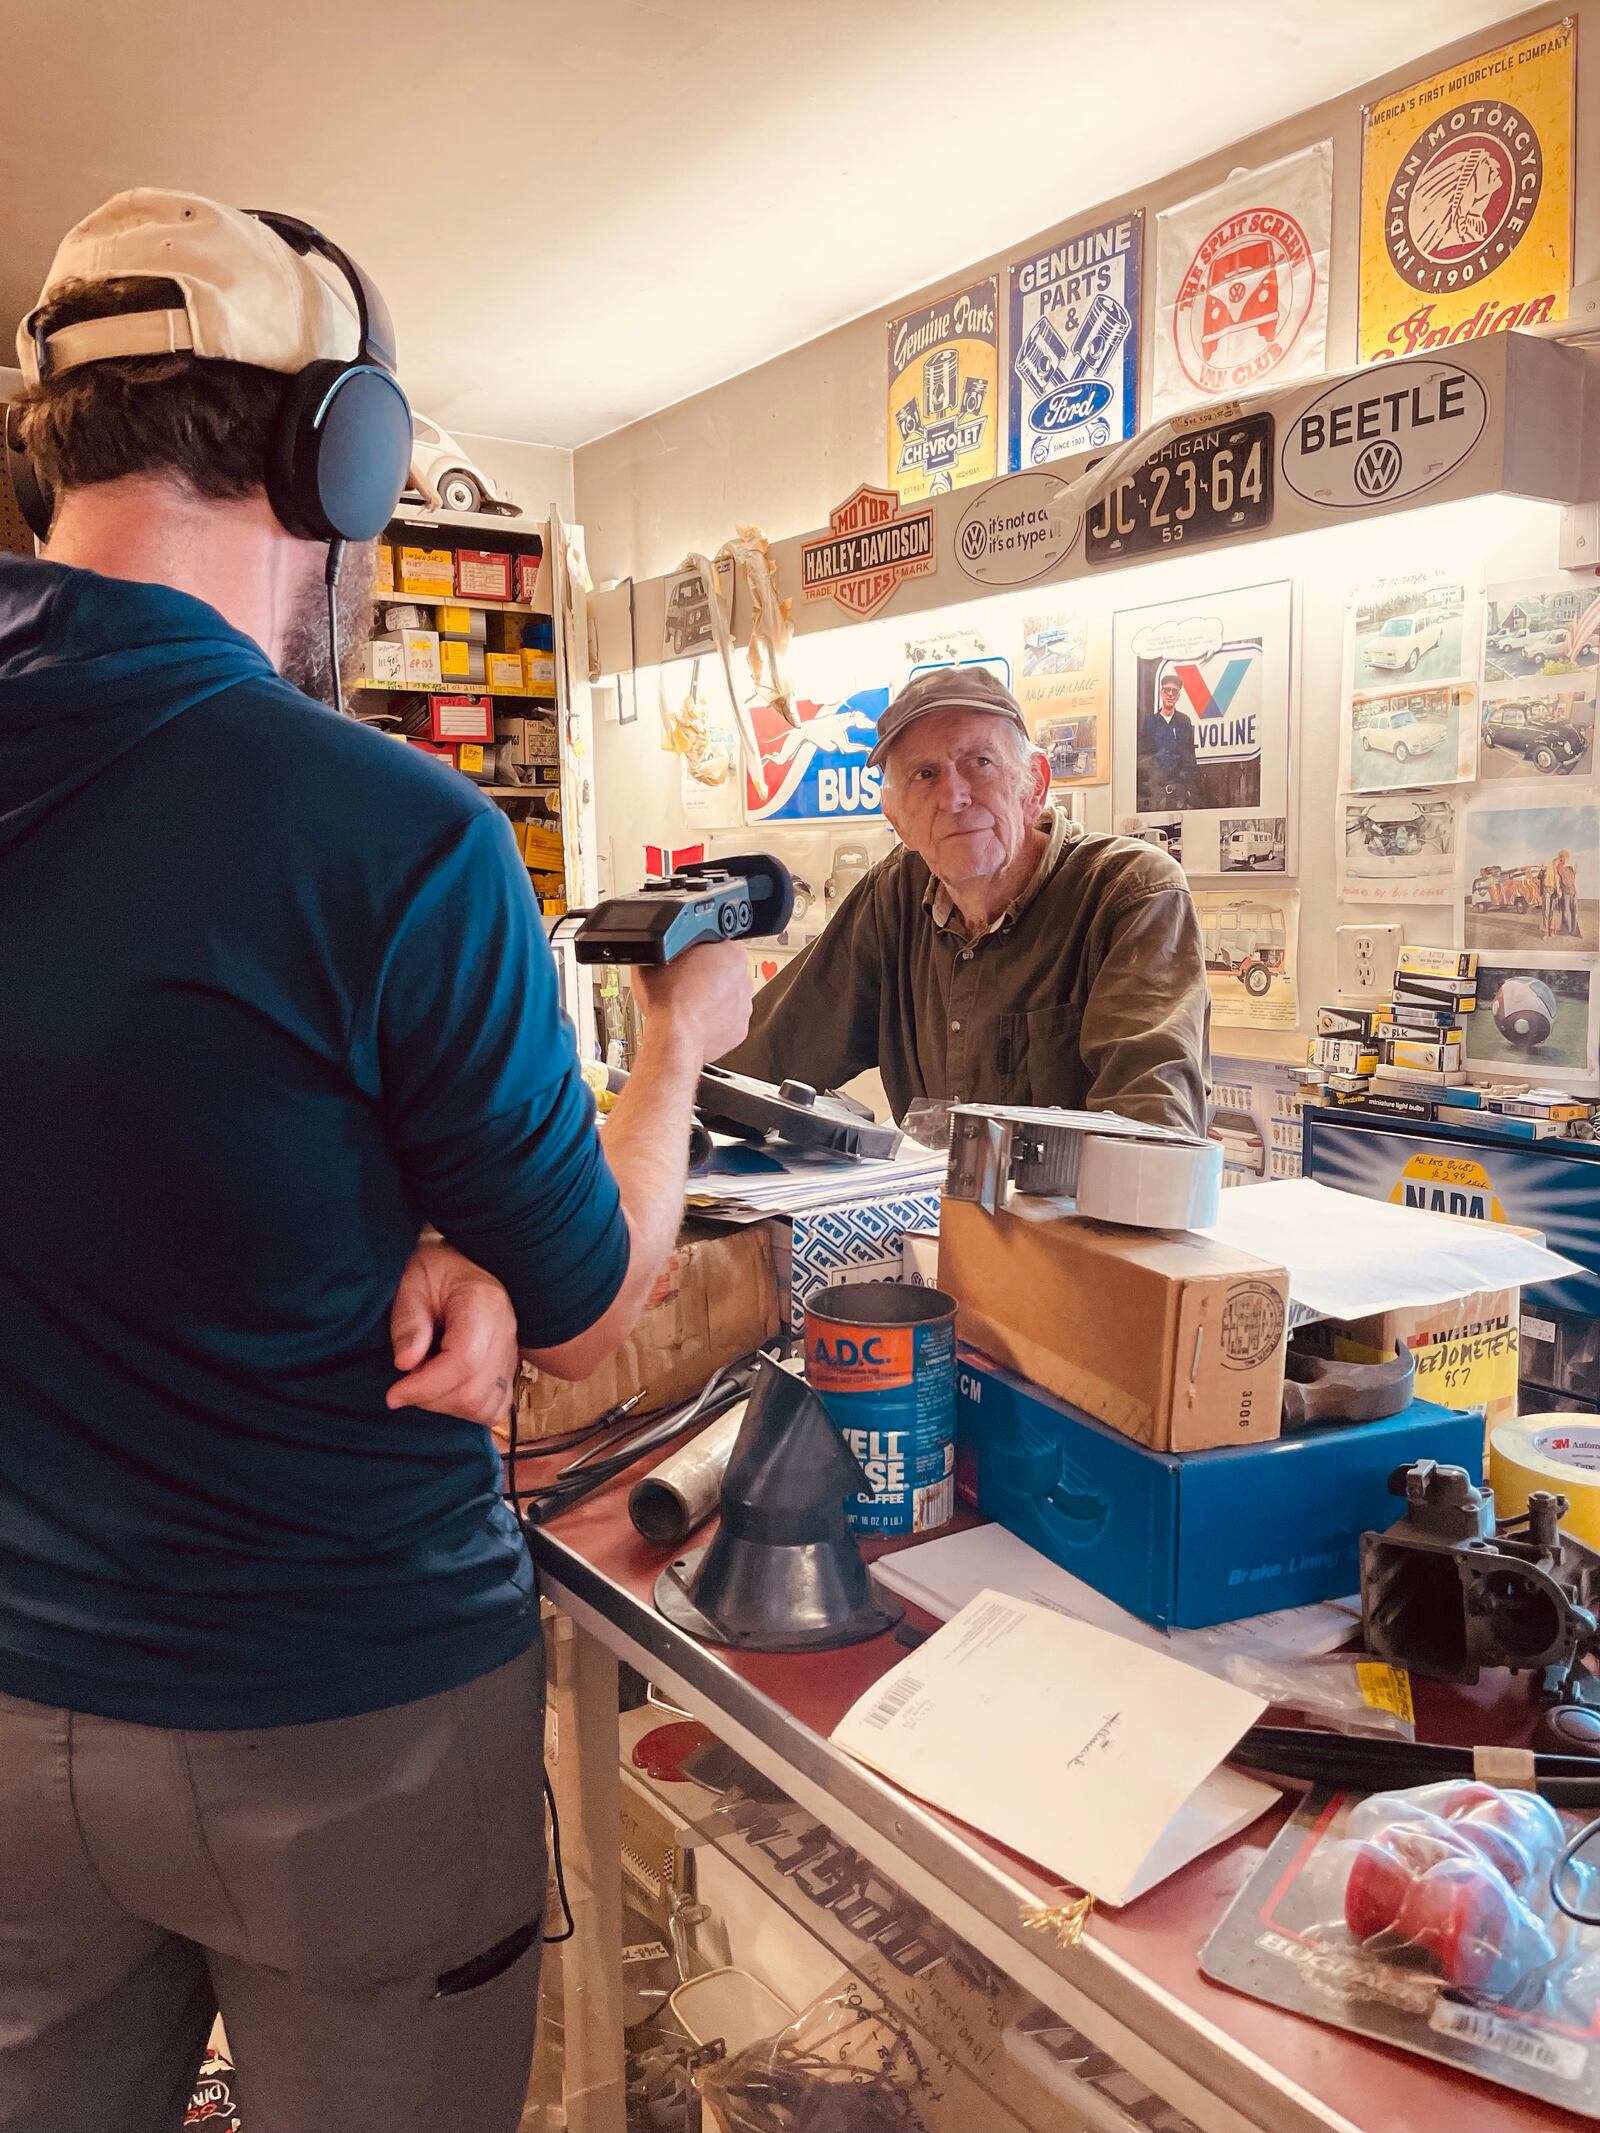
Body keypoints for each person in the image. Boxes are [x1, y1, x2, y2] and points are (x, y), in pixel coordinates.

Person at [0, 190, 751, 2133]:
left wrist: (422, 1212)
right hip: (341, 1727)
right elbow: (588, 1316)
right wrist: (677, 1049)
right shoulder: (386, 827)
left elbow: (133, 1103)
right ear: (331, 448)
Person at [722, 666, 1209, 1132]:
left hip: (1071, 1220)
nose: (954, 796)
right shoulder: (895, 895)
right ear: (897, 819)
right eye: (924, 774)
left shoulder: (1129, 893)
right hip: (934, 1214)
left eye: (980, 762)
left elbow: (1150, 1139)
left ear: (1034, 786)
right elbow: (760, 1061)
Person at [1136, 668, 1199, 812]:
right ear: (1161, 693)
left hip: (1178, 792)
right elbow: (1144, 757)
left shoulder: (1184, 722)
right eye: (1167, 690)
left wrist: (1185, 787)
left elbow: (1190, 757)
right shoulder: (1150, 722)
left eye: (1174, 691)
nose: (1170, 694)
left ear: (1178, 696)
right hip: (1155, 791)